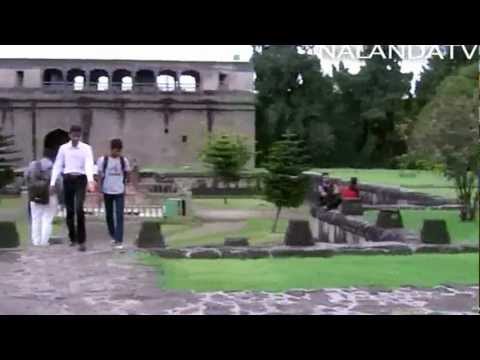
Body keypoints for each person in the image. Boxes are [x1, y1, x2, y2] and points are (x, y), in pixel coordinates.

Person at [50, 125, 95, 252]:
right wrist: (52, 183)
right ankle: (72, 237)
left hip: (80, 179)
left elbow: (89, 164)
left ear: (80, 136)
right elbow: (58, 165)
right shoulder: (63, 149)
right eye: (73, 136)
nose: (76, 138)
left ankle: (82, 240)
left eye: (78, 136)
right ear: (69, 135)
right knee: (69, 211)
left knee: (79, 208)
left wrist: (90, 180)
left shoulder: (86, 148)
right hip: (68, 179)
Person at [96, 139, 130, 249]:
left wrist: (125, 185)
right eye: (115, 150)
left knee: (119, 215)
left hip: (119, 191)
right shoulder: (103, 160)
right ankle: (113, 235)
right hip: (107, 191)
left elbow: (127, 174)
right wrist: (99, 191)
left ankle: (119, 240)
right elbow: (99, 176)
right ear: (111, 149)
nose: (117, 153)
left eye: (119, 151)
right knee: (109, 215)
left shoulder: (124, 161)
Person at [25, 148, 62, 246]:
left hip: (35, 195)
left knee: (35, 219)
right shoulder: (54, 167)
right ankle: (44, 241)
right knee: (47, 219)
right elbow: (59, 183)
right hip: (50, 195)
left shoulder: (33, 165)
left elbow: (26, 178)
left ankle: (36, 241)